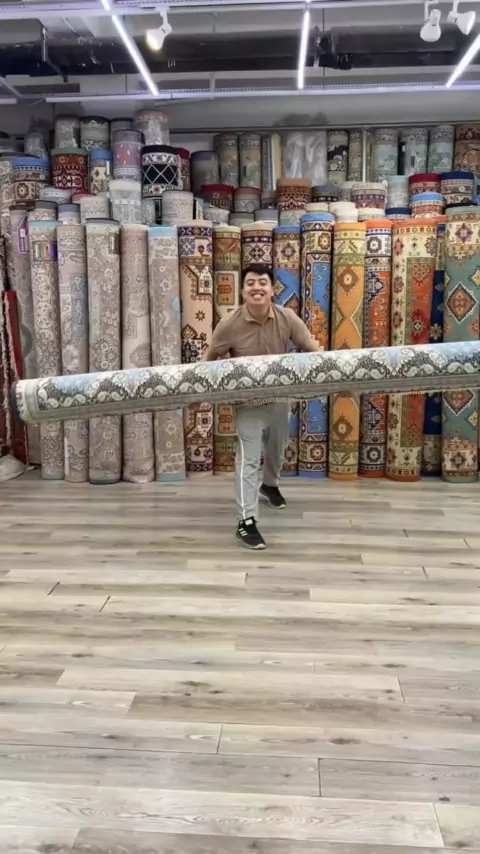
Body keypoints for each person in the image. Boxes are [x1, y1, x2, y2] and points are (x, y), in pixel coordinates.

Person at [204, 264, 321, 550]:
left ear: (271, 290)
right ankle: (246, 523)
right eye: (251, 283)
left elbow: (312, 349)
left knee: (277, 448)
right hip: (248, 404)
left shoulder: (287, 317)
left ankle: (270, 485)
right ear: (243, 291)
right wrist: (203, 391)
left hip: (279, 399)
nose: (257, 288)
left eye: (262, 283)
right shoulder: (229, 324)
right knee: (247, 460)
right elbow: (210, 358)